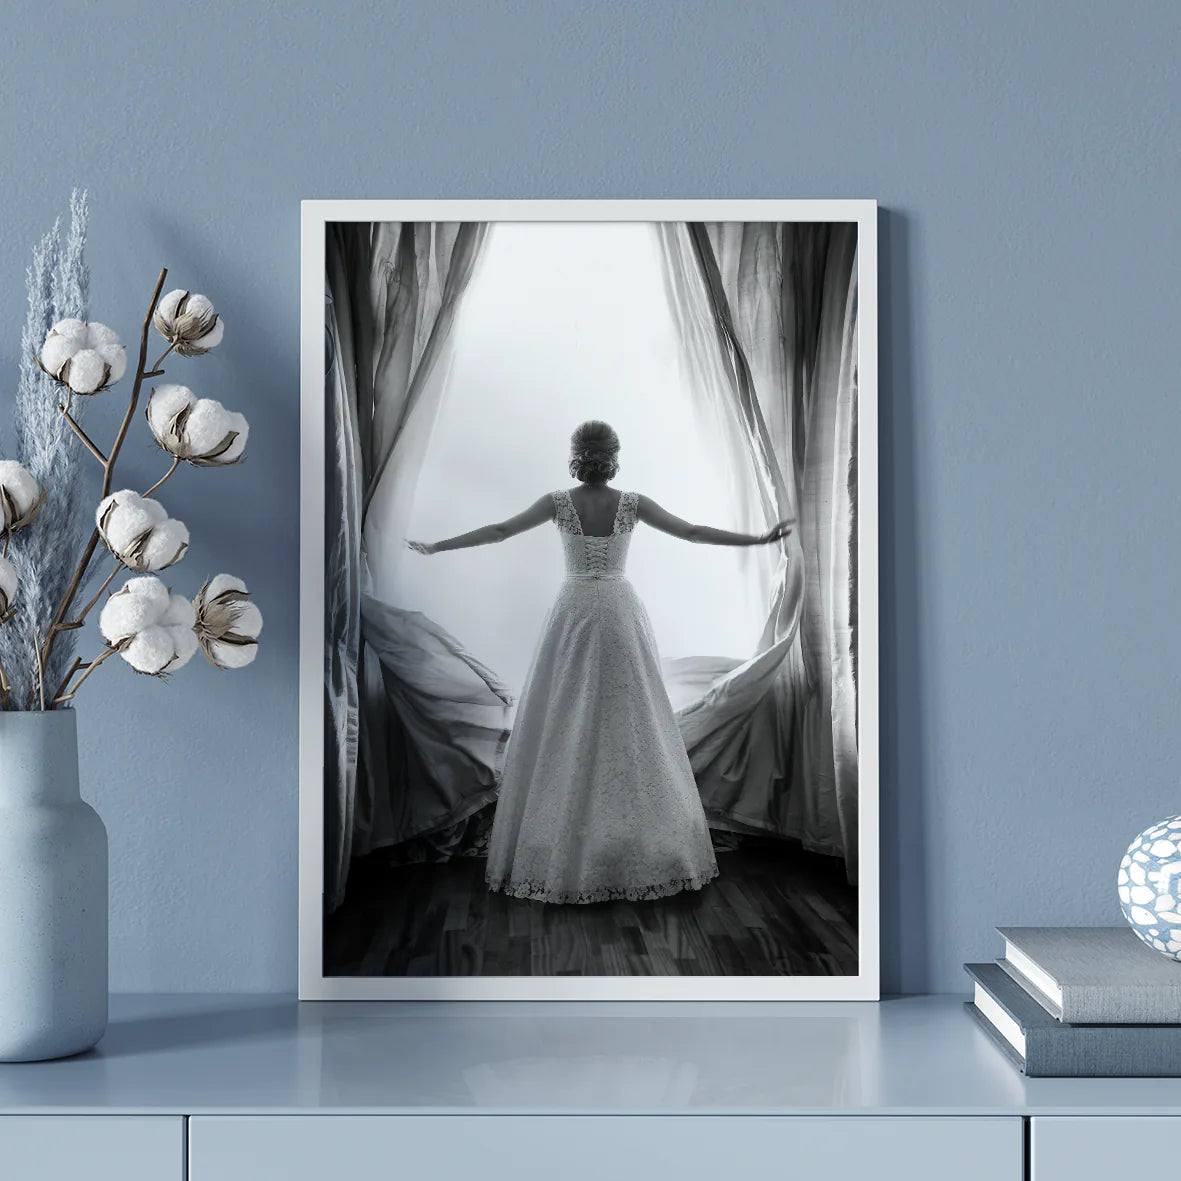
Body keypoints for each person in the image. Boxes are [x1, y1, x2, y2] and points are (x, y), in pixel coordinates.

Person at [407, 420, 792, 904]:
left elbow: (502, 531)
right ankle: (630, 834)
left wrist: (438, 546)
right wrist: (756, 539)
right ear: (613, 455)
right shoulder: (632, 503)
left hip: (574, 611)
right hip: (617, 610)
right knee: (630, 718)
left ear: (575, 454)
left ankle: (569, 836)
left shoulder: (557, 503)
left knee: (567, 714)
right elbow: (692, 532)